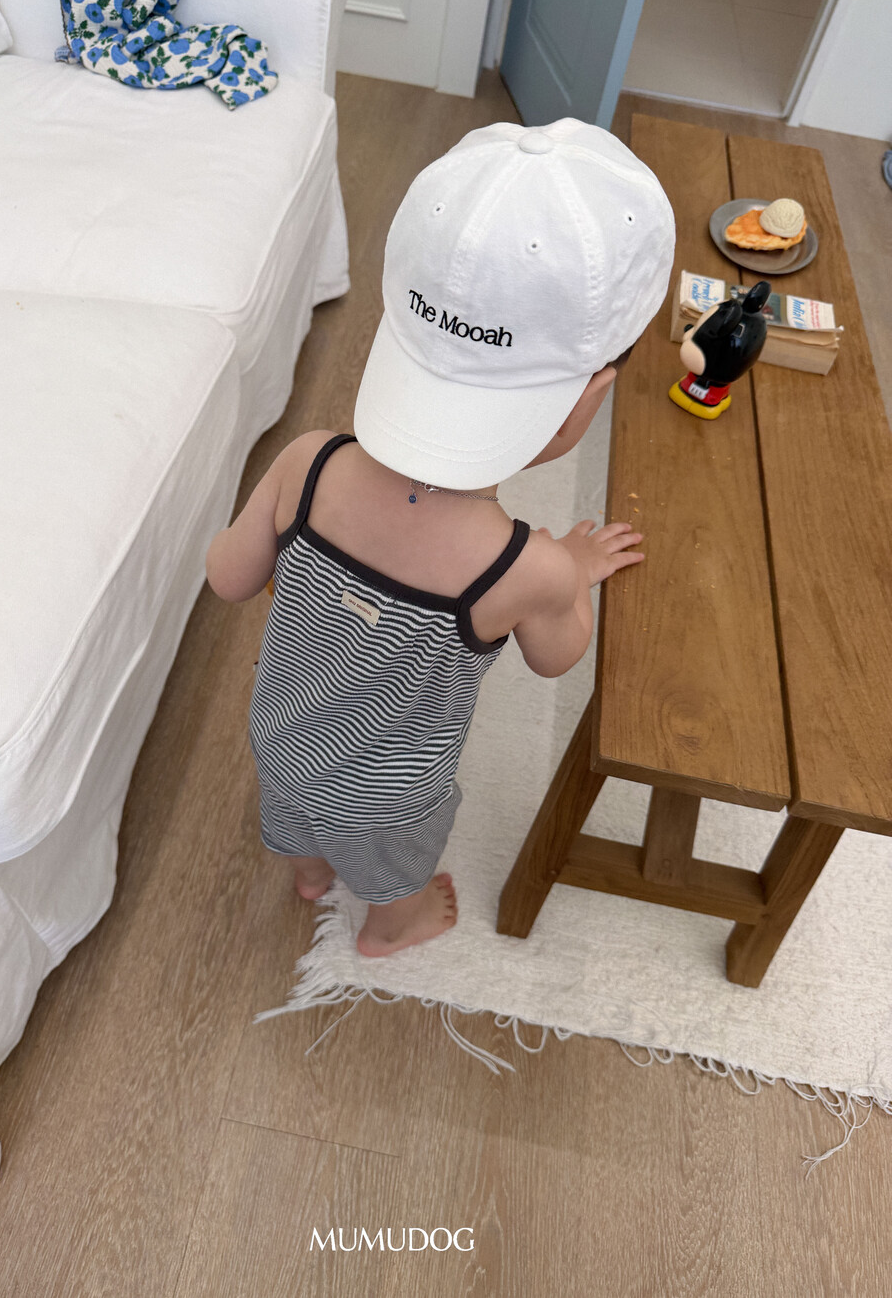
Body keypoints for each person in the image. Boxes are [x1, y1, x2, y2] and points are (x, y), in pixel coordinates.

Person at [205, 118, 675, 957]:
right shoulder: (522, 566)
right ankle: (394, 925)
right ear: (587, 399)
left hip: (281, 735)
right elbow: (557, 656)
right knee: (392, 864)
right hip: (389, 795)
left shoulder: (309, 461)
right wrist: (568, 571)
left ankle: (309, 876)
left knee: (300, 817)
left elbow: (227, 576)